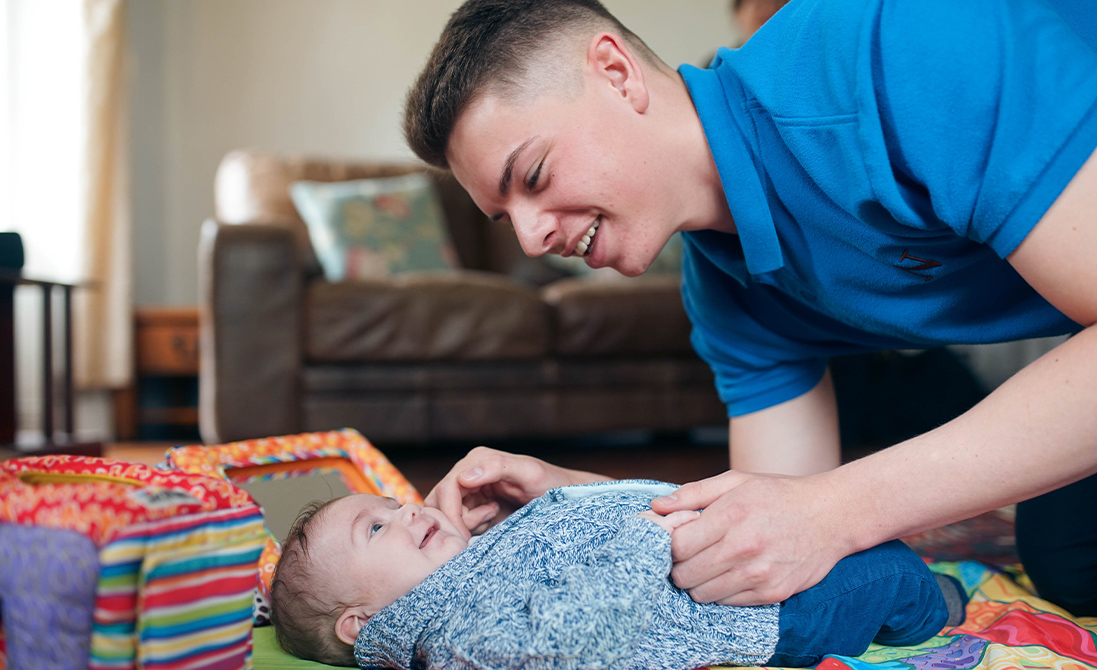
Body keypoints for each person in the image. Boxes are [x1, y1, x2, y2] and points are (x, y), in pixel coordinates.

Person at [403, 0, 1097, 616]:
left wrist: (842, 506)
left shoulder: (895, 43)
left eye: (532, 176)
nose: (532, 238)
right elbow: (774, 523)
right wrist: (583, 504)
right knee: (1069, 558)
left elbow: (823, 513)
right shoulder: (723, 288)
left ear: (616, 73)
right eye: (505, 218)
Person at [268, 481, 964, 668]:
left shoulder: (459, 584)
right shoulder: (456, 641)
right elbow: (572, 637)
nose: (406, 509)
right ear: (361, 622)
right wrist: (642, 541)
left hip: (709, 537)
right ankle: (937, 603)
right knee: (885, 575)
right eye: (377, 527)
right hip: (755, 605)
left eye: (393, 502)